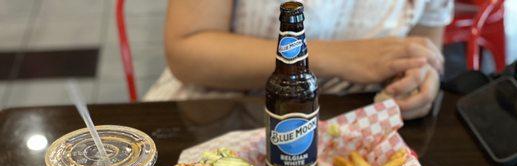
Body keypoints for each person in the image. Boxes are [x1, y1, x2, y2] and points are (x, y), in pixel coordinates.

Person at [145, 0, 452, 120]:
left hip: (353, 130)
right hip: (214, 112)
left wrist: (418, 77)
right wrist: (337, 56)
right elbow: (186, 52)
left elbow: (423, 47)